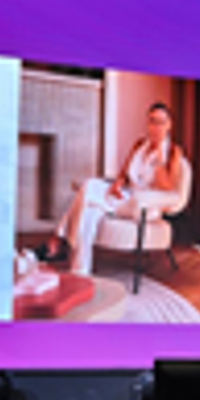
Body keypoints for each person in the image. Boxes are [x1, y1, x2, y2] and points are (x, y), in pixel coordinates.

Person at [43, 102, 187, 275]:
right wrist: (117, 184)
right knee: (89, 203)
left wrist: (159, 157)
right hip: (125, 197)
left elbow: (168, 187)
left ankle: (60, 240)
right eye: (152, 121)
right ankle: (79, 271)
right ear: (147, 123)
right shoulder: (140, 145)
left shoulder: (173, 151)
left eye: (161, 122)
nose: (156, 127)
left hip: (144, 207)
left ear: (169, 125)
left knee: (90, 198)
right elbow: (124, 173)